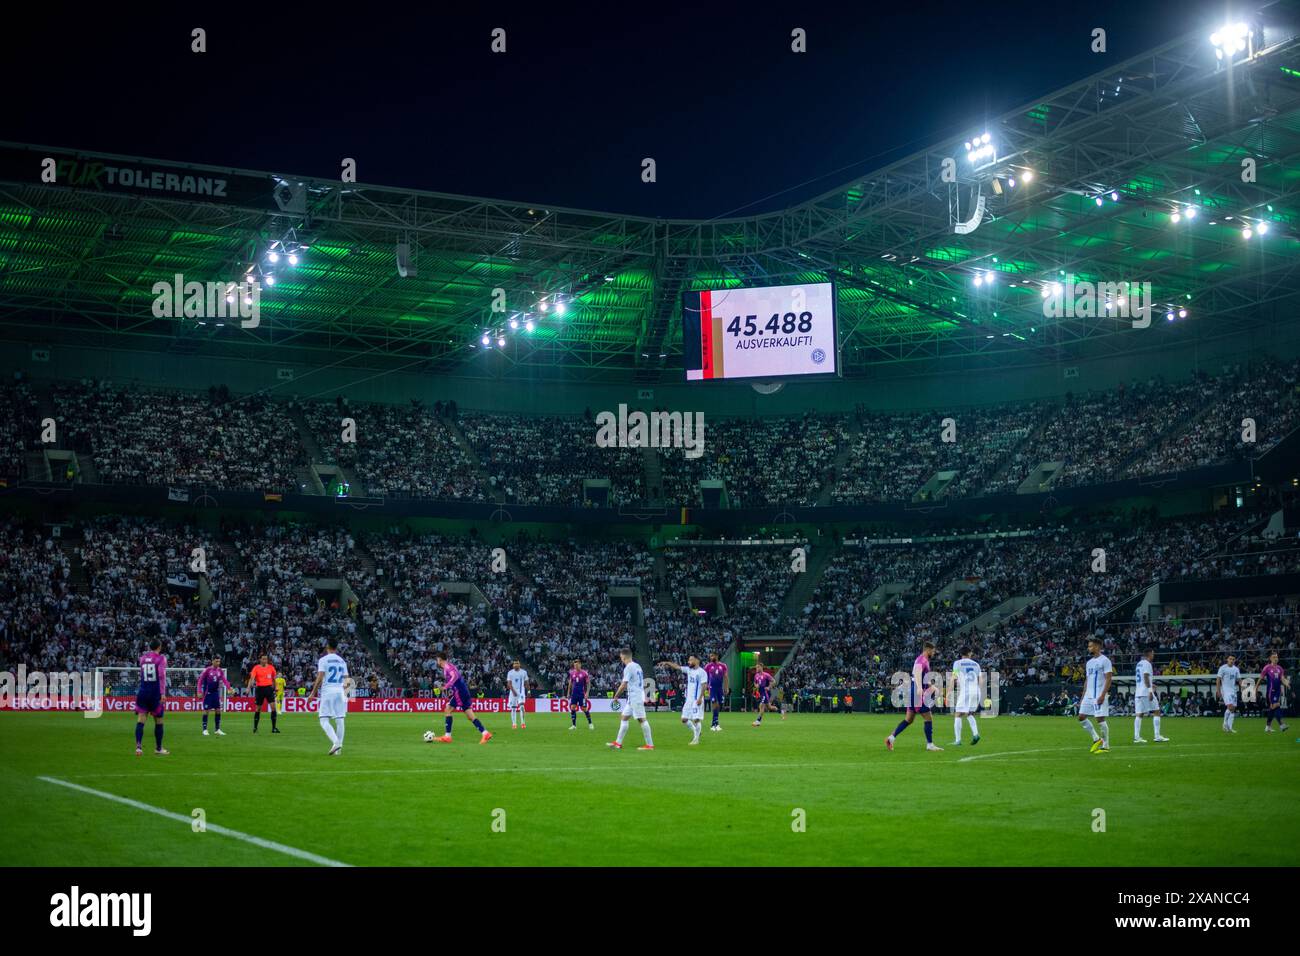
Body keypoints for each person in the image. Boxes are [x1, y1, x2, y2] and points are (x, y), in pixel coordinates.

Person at [886, 641, 943, 752]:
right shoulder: (921, 660)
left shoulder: (923, 660)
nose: (934, 653)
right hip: (916, 692)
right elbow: (917, 673)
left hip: (913, 690)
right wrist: (920, 687)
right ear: (928, 650)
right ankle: (930, 744)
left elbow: (923, 677)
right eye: (933, 651)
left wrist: (932, 686)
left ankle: (891, 738)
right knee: (928, 717)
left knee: (909, 719)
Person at [427, 654, 492, 744]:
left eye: (437, 660)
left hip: (459, 691)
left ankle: (447, 736)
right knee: (470, 715)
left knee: (448, 709)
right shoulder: (449, 666)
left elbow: (455, 676)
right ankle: (485, 733)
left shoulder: (447, 667)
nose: (437, 662)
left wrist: (446, 686)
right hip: (463, 690)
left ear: (440, 659)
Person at [306, 641, 350, 755]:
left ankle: (336, 742)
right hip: (340, 691)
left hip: (328, 691)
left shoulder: (323, 660)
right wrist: (346, 694)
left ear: (327, 647)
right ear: (336, 648)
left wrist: (313, 693)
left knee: (323, 719)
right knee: (340, 719)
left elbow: (320, 677)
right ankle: (338, 750)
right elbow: (347, 678)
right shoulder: (342, 661)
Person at [607, 649, 654, 751]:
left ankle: (650, 745)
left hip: (635, 696)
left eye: (621, 658)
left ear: (624, 657)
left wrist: (616, 696)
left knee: (641, 719)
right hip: (633, 697)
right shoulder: (637, 666)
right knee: (624, 717)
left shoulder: (629, 667)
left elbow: (624, 684)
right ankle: (618, 743)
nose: (621, 660)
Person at [134, 638, 170, 757]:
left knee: (141, 720)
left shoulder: (143, 658)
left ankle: (139, 747)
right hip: (155, 694)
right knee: (159, 721)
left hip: (143, 692)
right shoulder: (161, 658)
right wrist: (163, 693)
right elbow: (161, 675)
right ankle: (158, 748)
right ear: (159, 647)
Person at [660, 656, 707, 745]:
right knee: (684, 719)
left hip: (696, 699)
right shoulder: (689, 670)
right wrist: (666, 662)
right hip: (689, 699)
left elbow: (704, 685)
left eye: (690, 660)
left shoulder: (702, 672)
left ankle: (696, 739)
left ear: (697, 660)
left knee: (696, 719)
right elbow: (677, 666)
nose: (688, 662)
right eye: (688, 660)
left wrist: (700, 698)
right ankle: (696, 732)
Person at [1078, 637, 1113, 754]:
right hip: (1088, 694)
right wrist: (1083, 696)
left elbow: (1109, 678)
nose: (1089, 648)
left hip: (1099, 693)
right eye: (1089, 646)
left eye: (1091, 646)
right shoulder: (1089, 663)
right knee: (1081, 717)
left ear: (1097, 647)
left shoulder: (1105, 660)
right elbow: (1087, 680)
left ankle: (1106, 746)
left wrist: (1103, 694)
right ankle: (1096, 738)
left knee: (1099, 719)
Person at [1133, 647, 1169, 743]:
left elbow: (1140, 678)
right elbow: (1145, 676)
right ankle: (1157, 736)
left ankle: (1136, 737)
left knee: (1139, 714)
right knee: (1157, 711)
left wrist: (1150, 683)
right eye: (1153, 653)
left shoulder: (1139, 664)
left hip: (1138, 692)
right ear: (1149, 654)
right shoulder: (1147, 663)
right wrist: (1150, 690)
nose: (1154, 655)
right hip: (1145, 692)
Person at [949, 647, 982, 746]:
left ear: (961, 654)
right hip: (976, 690)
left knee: (958, 714)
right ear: (969, 653)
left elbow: (953, 678)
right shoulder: (976, 664)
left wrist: (949, 691)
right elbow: (981, 680)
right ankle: (976, 734)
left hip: (966, 691)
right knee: (969, 713)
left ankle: (958, 741)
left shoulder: (957, 663)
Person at [245, 654, 280, 734]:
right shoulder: (256, 668)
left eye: (266, 659)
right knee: (258, 709)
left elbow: (274, 679)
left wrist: (276, 687)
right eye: (263, 659)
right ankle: (255, 728)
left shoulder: (271, 667)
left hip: (269, 689)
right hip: (260, 689)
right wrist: (248, 688)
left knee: (273, 708)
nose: (265, 660)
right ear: (260, 659)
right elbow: (252, 679)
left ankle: (274, 728)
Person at [196, 656, 230, 737]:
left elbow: (224, 680)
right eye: (216, 661)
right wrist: (199, 691)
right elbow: (200, 681)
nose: (218, 663)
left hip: (215, 693)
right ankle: (204, 729)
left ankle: (217, 729)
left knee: (218, 710)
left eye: (219, 661)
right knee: (206, 710)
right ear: (212, 661)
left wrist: (229, 688)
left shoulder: (220, 670)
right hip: (207, 693)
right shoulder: (207, 670)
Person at [1260, 651, 1290, 733]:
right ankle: (1281, 725)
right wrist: (1255, 688)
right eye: (1274, 657)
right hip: (1271, 692)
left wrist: (1286, 683)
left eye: (1276, 657)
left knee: (1272, 709)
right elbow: (1260, 678)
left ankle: (1268, 727)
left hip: (1278, 691)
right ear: (1270, 658)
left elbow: (1282, 679)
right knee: (1276, 706)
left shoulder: (1280, 668)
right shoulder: (1267, 667)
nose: (1275, 659)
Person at [565, 659, 594, 730]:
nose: (576, 666)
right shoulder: (572, 673)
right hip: (574, 694)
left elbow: (588, 683)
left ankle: (590, 723)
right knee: (572, 707)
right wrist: (568, 693)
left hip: (582, 694)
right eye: (575, 665)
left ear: (580, 665)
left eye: (577, 665)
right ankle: (574, 725)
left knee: (584, 708)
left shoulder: (584, 673)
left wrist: (587, 693)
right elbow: (570, 683)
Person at [704, 653, 728, 731]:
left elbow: (726, 677)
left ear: (717, 656)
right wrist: (706, 685)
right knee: (715, 703)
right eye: (710, 656)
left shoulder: (723, 665)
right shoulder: (708, 666)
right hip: (712, 688)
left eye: (712, 656)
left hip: (720, 688)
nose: (711, 657)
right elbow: (705, 676)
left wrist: (726, 687)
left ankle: (714, 723)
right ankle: (715, 723)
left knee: (719, 705)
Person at [1216, 654, 1241, 734]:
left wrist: (1244, 688)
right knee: (1230, 707)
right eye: (1230, 659)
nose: (1232, 660)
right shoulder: (1223, 668)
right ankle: (1224, 723)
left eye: (1233, 659)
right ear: (1227, 659)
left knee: (1233, 710)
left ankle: (1230, 728)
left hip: (1233, 690)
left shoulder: (1236, 669)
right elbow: (1218, 680)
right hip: (1225, 690)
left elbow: (1239, 680)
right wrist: (1218, 691)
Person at [506, 660, 529, 730]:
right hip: (513, 691)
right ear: (513, 665)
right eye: (515, 663)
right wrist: (513, 691)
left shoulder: (524, 672)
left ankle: (523, 723)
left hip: (521, 691)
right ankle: (514, 724)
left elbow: (527, 683)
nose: (516, 664)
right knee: (513, 708)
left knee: (522, 706)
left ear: (519, 664)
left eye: (517, 663)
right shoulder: (510, 673)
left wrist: (529, 691)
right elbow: (508, 684)